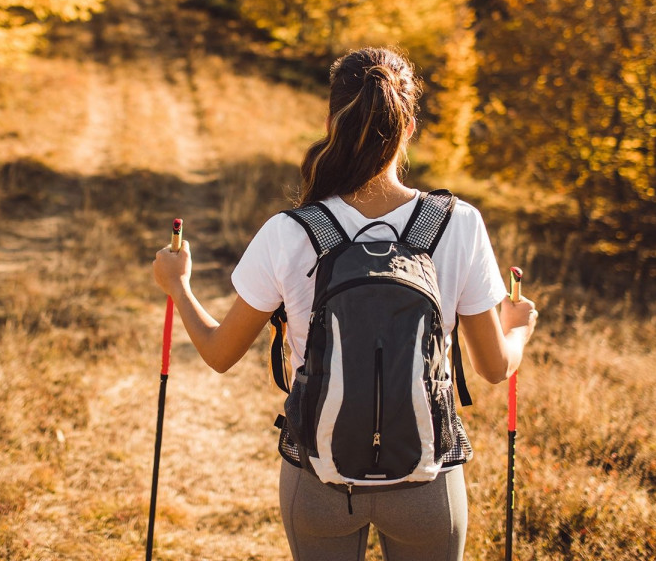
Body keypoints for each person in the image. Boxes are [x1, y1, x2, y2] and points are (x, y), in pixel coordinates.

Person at [152, 47, 538, 561]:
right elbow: (494, 367)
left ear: (331, 122)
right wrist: (518, 328)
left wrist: (179, 286)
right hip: (427, 482)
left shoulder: (291, 231)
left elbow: (219, 353)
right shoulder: (457, 223)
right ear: (409, 127)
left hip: (317, 477)